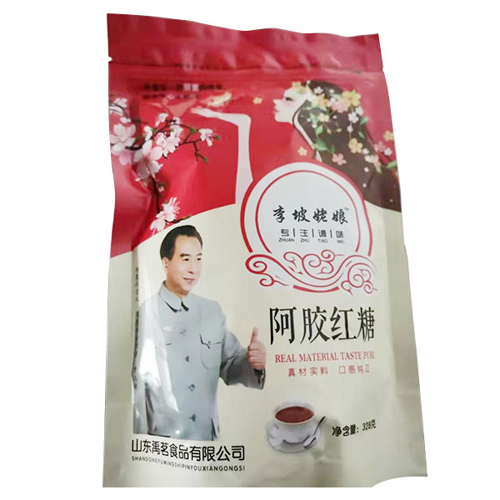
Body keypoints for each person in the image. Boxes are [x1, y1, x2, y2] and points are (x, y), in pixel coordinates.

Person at [132, 225, 266, 441]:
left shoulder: (211, 311)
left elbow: (230, 364)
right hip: (165, 445)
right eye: (185, 259)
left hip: (206, 442)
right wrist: (140, 444)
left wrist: (252, 363)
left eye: (198, 259)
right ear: (166, 263)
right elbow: (137, 388)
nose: (193, 268)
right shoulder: (147, 314)